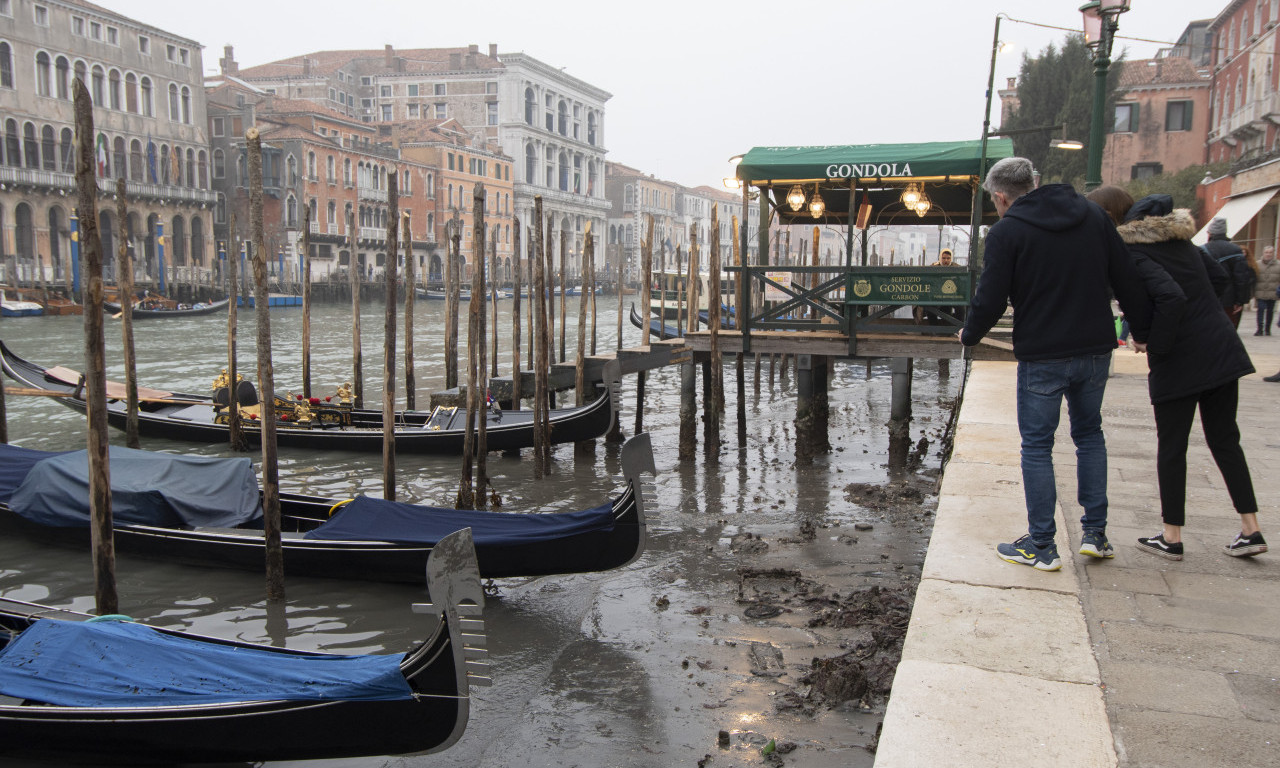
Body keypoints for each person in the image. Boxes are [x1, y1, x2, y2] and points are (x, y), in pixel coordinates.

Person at [960, 158, 1153, 571]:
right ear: (1035, 181)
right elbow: (1126, 275)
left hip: (1043, 352)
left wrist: (970, 334)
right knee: (1090, 436)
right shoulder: (1093, 215)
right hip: (1095, 348)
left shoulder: (1007, 231)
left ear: (1000, 197)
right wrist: (1142, 329)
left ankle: (1042, 545)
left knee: (1037, 446)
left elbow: (990, 297)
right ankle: (1095, 535)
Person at [1115, 193, 1266, 559]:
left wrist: (1153, 342)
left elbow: (1170, 297)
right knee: (1226, 440)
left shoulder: (1137, 253)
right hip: (1221, 348)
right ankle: (1251, 529)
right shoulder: (1188, 246)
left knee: (1172, 447)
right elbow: (1219, 278)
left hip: (1180, 358)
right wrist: (1203, 312)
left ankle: (1172, 536)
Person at [1202, 217, 1254, 329]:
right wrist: (1240, 301)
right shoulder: (1235, 250)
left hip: (1209, 299)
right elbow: (1241, 278)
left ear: (1210, 233)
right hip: (1230, 300)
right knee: (1228, 329)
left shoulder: (1203, 249)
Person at [1255, 245, 1279, 336]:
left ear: (1273, 253)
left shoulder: (1278, 265)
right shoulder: (1257, 264)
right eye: (1266, 252)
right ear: (1263, 253)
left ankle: (1267, 329)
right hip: (1260, 291)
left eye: (1270, 252)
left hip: (1273, 292)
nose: (1268, 254)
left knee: (1270, 311)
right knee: (1260, 310)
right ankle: (1259, 329)